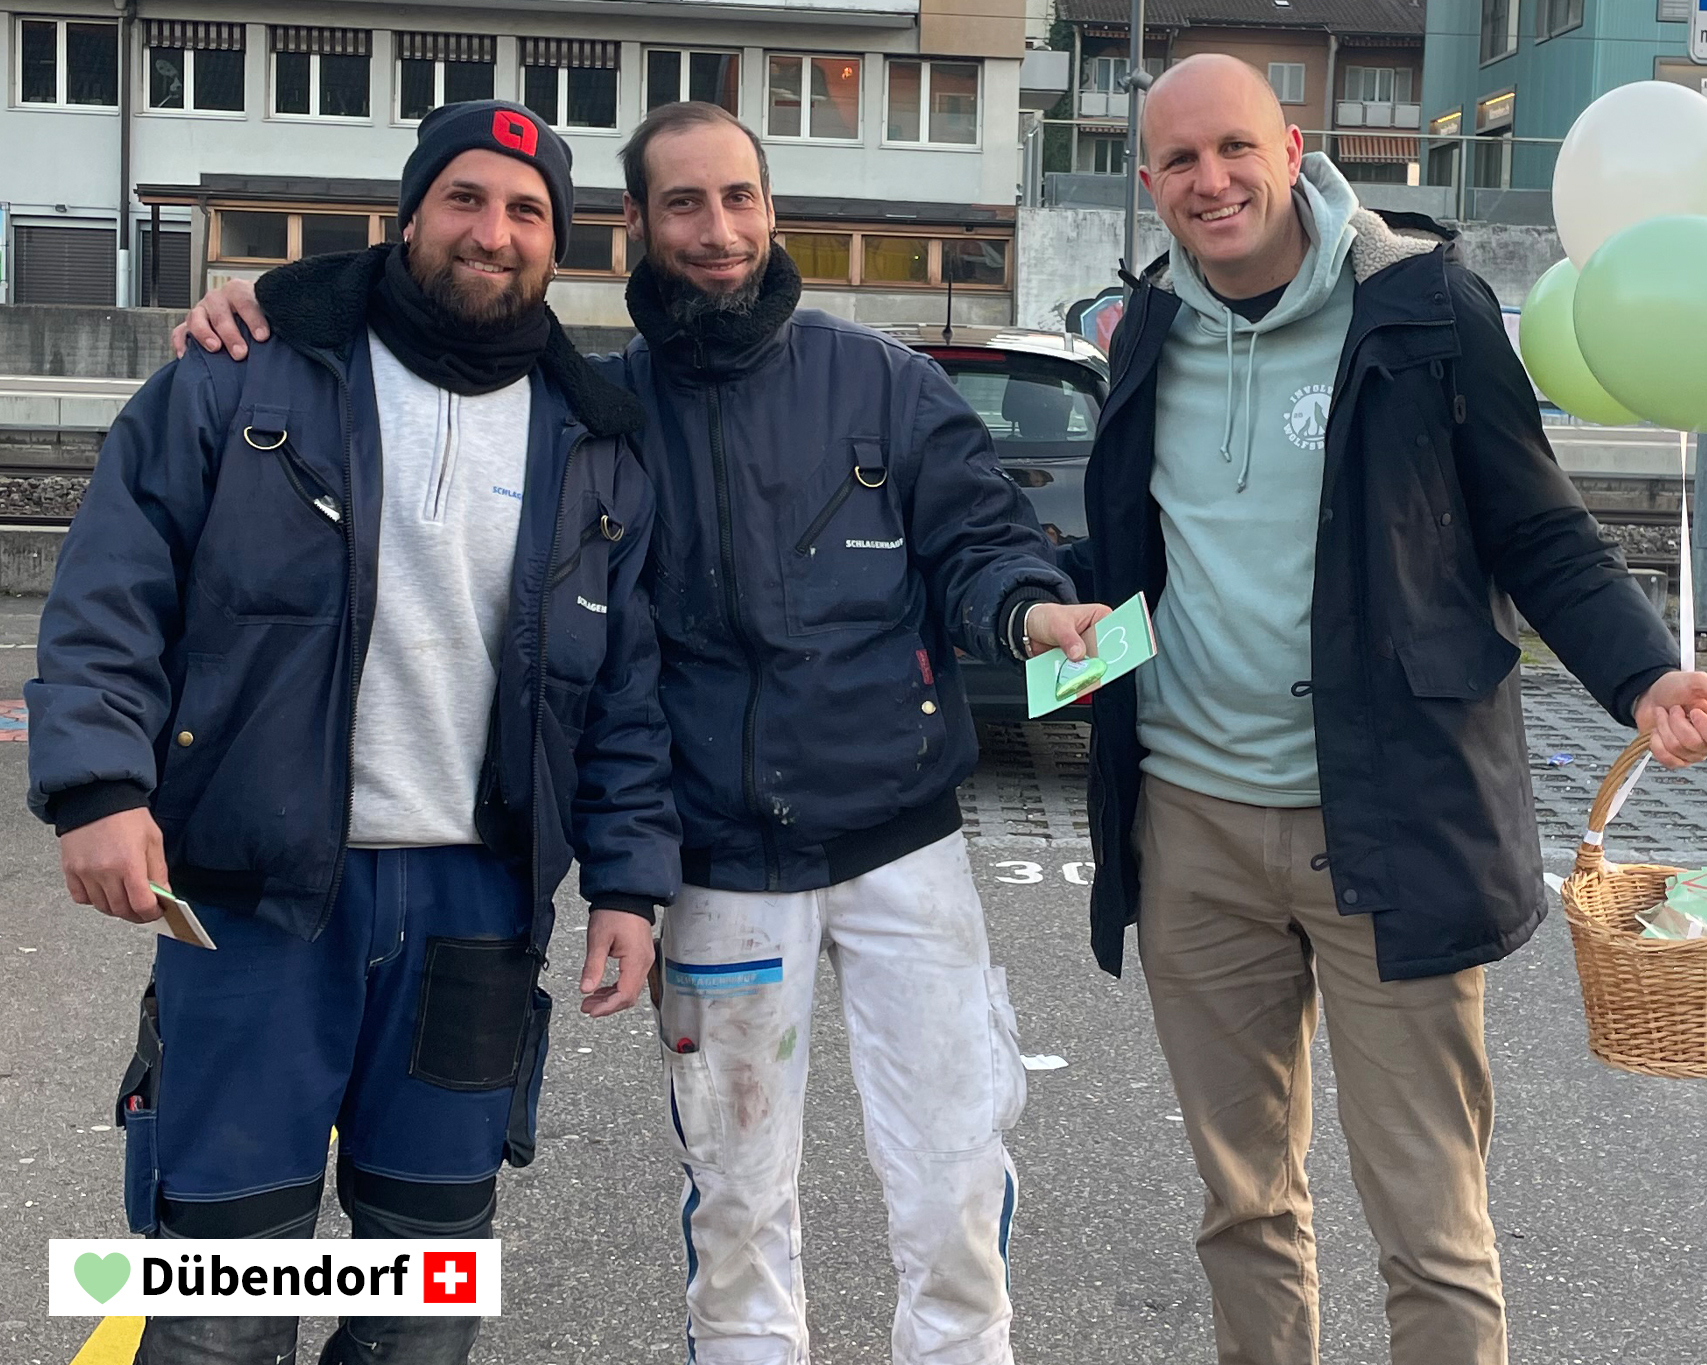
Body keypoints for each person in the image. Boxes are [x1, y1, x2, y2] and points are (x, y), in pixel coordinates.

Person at [176, 100, 1110, 1365]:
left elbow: (981, 541)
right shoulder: (597, 413)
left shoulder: (879, 381)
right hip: (717, 866)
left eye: (737, 197)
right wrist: (271, 302)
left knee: (952, 1170)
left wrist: (1029, 611)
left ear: (772, 207)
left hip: (904, 849)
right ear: (633, 225)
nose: (716, 229)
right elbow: (587, 660)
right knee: (734, 1192)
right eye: (683, 202)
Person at [1064, 56, 1707, 1365]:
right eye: (1179, 163)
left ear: (1292, 144)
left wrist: (1644, 671)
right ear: (1149, 183)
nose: (1211, 181)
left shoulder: (1425, 307)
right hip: (1193, 826)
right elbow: (1133, 566)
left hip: (1389, 815)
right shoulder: (1147, 325)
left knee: (1431, 1227)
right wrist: (1038, 643)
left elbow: (1539, 532)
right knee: (1242, 1206)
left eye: (1232, 149)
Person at [38, 101, 679, 1365]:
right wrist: (99, 786)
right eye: (465, 199)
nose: (491, 233)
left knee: (422, 1313)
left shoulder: (597, 444)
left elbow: (622, 697)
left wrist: (629, 886)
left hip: (475, 917)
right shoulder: (246, 372)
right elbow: (115, 584)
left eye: (525, 211)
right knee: (222, 1298)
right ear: (410, 211)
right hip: (257, 905)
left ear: (561, 244)